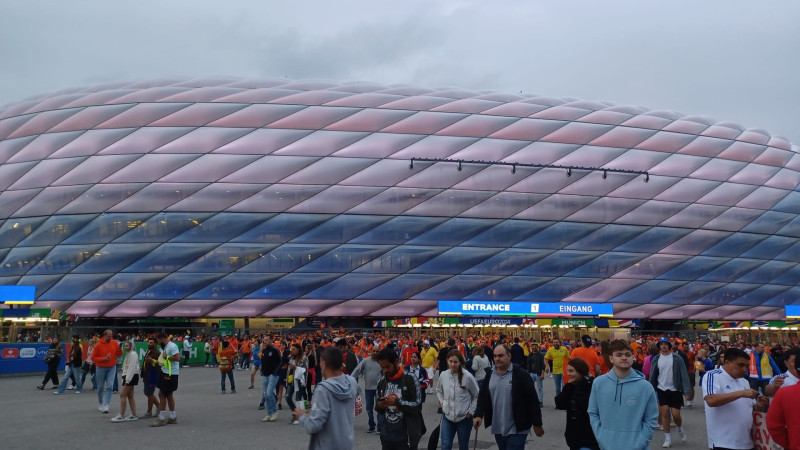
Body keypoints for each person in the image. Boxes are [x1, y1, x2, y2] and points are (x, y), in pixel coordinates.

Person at [588, 339, 658, 450]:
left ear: (632, 357)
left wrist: (641, 441)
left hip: (638, 447)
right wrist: (600, 436)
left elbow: (651, 419)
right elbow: (593, 412)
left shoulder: (645, 387)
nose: (624, 358)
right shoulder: (598, 383)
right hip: (606, 445)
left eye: (627, 354)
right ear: (611, 358)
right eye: (619, 355)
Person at [474, 344, 544, 450]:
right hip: (498, 426)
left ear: (509, 356)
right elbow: (483, 396)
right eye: (495, 356)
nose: (497, 359)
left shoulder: (520, 374)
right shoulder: (489, 374)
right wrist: (478, 414)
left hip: (518, 426)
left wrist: (537, 423)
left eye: (501, 356)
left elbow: (532, 400)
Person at [293, 346, 360, 450]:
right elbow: (357, 391)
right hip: (347, 443)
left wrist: (301, 417)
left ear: (323, 364)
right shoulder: (351, 382)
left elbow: (314, 425)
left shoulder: (323, 389)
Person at [703, 347, 769, 449]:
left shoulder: (744, 381)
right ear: (727, 362)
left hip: (747, 442)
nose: (744, 369)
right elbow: (711, 400)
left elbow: (749, 410)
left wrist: (759, 406)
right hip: (723, 443)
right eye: (740, 365)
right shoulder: (713, 376)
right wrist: (741, 393)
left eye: (747, 366)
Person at [376, 348, 423, 450]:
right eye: (382, 367)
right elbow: (378, 408)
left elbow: (418, 405)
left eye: (387, 366)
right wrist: (379, 406)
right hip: (386, 437)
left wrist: (397, 402)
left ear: (396, 361)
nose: (385, 370)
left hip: (406, 438)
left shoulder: (410, 378)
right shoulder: (382, 382)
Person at [648, 337, 691, 448]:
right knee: (665, 412)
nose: (663, 346)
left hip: (675, 389)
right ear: (659, 347)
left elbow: (684, 375)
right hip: (662, 388)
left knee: (676, 415)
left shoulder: (677, 358)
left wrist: (687, 391)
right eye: (661, 344)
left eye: (665, 344)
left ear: (669, 346)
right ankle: (667, 439)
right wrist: (650, 389)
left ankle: (680, 428)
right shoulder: (656, 359)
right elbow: (652, 375)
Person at [437, 349, 479, 450]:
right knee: (446, 446)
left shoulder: (468, 376)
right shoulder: (443, 375)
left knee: (463, 446)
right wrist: (442, 402)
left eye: (455, 362)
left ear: (460, 362)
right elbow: (438, 390)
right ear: (447, 361)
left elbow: (477, 394)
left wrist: (471, 411)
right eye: (450, 361)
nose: (453, 364)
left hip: (464, 418)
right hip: (447, 417)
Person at [555, 358, 600, 450]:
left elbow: (583, 405)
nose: (568, 374)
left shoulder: (592, 384)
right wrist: (568, 386)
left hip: (590, 436)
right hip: (573, 436)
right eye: (567, 371)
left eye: (571, 371)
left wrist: (580, 385)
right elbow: (559, 404)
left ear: (580, 370)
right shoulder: (571, 386)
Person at [766, 351, 800, 449]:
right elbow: (768, 390)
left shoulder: (785, 392)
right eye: (793, 361)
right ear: (786, 363)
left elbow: (773, 426)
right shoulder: (781, 378)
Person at [149, 332, 181, 427]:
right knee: (168, 394)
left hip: (170, 374)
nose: (158, 343)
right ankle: (172, 417)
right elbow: (163, 361)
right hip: (166, 372)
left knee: (161, 394)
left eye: (158, 341)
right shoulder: (166, 347)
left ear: (162, 339)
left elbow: (178, 358)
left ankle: (162, 418)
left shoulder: (172, 346)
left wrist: (166, 357)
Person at [351, 346, 384, 433]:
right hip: (368, 388)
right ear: (371, 351)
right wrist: (350, 379)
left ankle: (380, 427)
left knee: (380, 407)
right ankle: (372, 426)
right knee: (369, 408)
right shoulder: (365, 361)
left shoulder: (382, 362)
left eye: (377, 351)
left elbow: (386, 374)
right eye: (374, 351)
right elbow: (357, 370)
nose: (375, 353)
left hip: (379, 389)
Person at [91, 330, 122, 414]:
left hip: (112, 367)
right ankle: (100, 404)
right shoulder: (98, 345)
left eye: (111, 336)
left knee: (110, 386)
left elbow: (119, 354)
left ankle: (107, 404)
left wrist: (120, 349)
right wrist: (103, 359)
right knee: (100, 387)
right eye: (109, 336)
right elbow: (93, 357)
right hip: (100, 368)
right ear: (104, 335)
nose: (111, 337)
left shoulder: (114, 343)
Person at [111, 340, 139, 422]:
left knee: (122, 395)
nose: (125, 347)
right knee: (130, 396)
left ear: (131, 346)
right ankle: (133, 415)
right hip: (129, 376)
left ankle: (121, 415)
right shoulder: (129, 354)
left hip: (130, 376)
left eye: (127, 346)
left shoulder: (133, 354)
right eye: (125, 345)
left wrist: (127, 380)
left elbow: (131, 368)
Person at [260, 335, 282, 422]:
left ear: (271, 340)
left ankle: (274, 411)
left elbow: (280, 361)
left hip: (273, 375)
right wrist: (262, 371)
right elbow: (263, 362)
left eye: (267, 340)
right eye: (264, 340)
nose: (265, 341)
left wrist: (275, 372)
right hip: (265, 374)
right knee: (266, 395)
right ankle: (269, 413)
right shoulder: (264, 350)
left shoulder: (275, 349)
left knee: (269, 393)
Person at [140, 337, 160, 418]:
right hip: (147, 375)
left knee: (150, 393)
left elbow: (159, 364)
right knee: (146, 392)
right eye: (149, 342)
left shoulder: (157, 353)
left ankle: (149, 412)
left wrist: (152, 361)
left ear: (155, 344)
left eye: (151, 343)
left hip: (152, 375)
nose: (149, 344)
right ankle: (159, 406)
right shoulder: (149, 350)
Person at [526, 342, 545, 407]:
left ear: (537, 347)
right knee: (530, 388)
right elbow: (528, 364)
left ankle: (540, 401)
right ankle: (532, 400)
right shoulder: (530, 355)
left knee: (540, 388)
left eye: (535, 346)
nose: (533, 347)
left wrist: (542, 373)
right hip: (531, 373)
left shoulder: (541, 355)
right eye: (532, 346)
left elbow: (543, 365)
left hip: (538, 373)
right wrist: (527, 373)